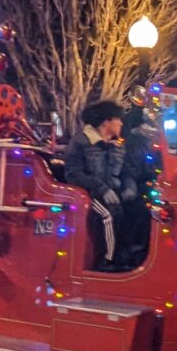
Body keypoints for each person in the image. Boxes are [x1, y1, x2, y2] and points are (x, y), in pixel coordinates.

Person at [64, 100, 128, 271]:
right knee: (109, 215)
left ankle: (125, 254)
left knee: (132, 210)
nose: (121, 123)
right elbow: (73, 174)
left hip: (107, 191)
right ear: (106, 122)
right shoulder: (81, 142)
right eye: (118, 119)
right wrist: (102, 188)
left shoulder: (114, 145)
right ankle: (107, 260)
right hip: (85, 193)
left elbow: (124, 170)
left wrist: (129, 187)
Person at [117, 104, 162, 267]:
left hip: (146, 187)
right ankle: (128, 257)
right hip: (135, 190)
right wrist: (131, 187)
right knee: (138, 217)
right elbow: (130, 169)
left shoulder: (148, 145)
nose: (154, 130)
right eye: (151, 126)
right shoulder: (136, 144)